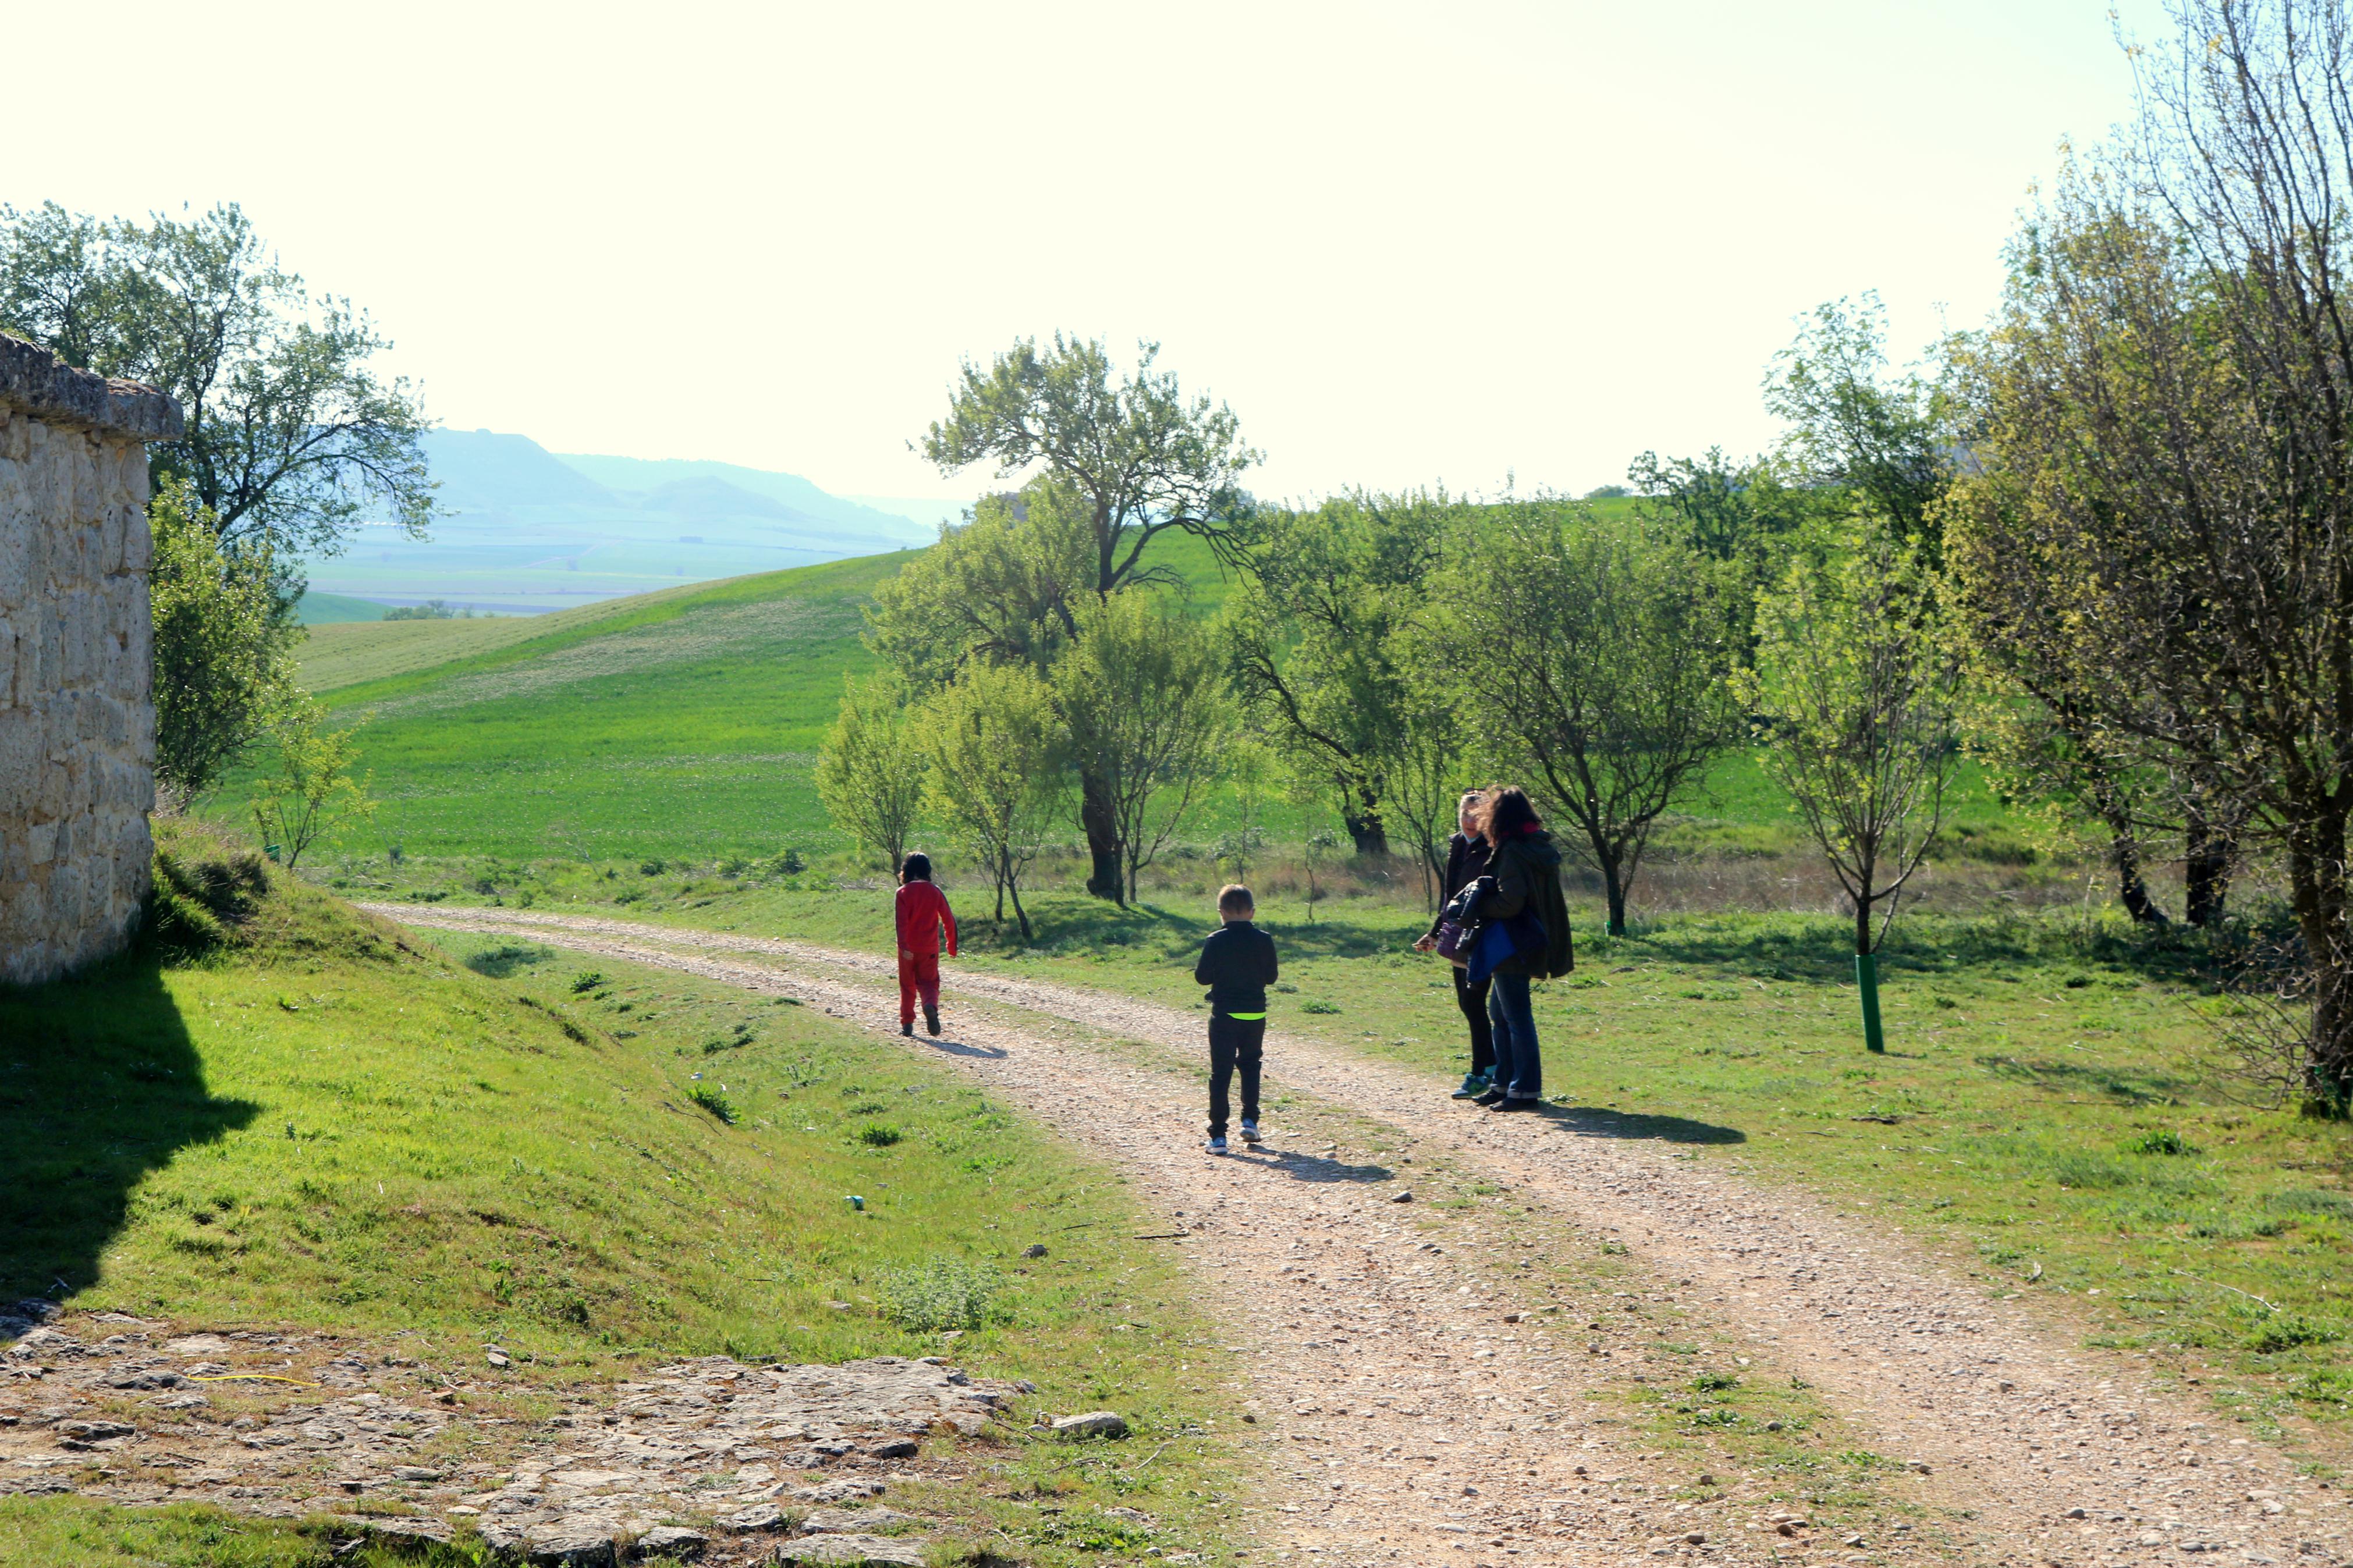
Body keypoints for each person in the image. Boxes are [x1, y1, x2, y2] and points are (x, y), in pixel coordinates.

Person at [1461, 785, 1573, 1110]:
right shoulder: (1534, 846)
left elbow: (1510, 903)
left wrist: (1479, 905)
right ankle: (1504, 1085)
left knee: (1516, 1018)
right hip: (1525, 940)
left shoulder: (1512, 851)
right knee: (1501, 1013)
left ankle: (1524, 1090)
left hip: (1512, 942)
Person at [1415, 791, 1496, 1099]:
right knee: (1467, 1003)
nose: (1470, 821)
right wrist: (1435, 933)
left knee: (1476, 1004)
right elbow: (1451, 897)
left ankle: (1482, 1072)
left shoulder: (1492, 848)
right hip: (1460, 936)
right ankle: (1490, 1066)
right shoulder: (1459, 845)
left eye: (1477, 815)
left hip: (1484, 936)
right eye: (1465, 814)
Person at [1193, 883, 1278, 1154]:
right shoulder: (1264, 939)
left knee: (1221, 1072)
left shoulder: (1215, 940)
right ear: (1252, 912)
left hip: (1225, 1015)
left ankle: (1218, 1137)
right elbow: (1272, 978)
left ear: (1222, 913)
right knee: (1251, 1066)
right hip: (1255, 1014)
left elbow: (1202, 978)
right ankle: (1250, 1120)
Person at [894, 852, 958, 1037]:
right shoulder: (935, 891)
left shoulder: (902, 893)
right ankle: (930, 1006)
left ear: (906, 871)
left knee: (907, 986)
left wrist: (904, 947)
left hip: (908, 949)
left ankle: (907, 1024)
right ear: (927, 870)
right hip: (930, 948)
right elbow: (948, 919)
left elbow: (901, 923)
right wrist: (952, 946)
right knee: (930, 983)